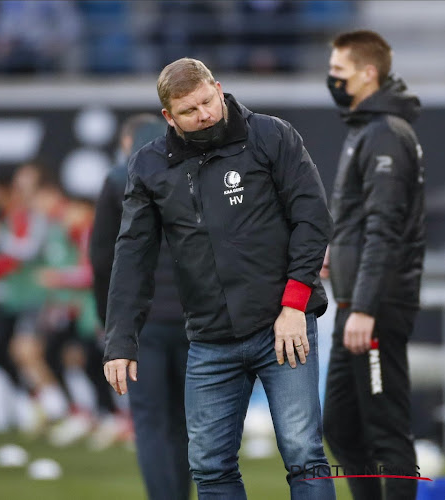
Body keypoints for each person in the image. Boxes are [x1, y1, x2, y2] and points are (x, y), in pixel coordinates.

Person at [102, 58, 336, 499]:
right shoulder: (149, 166)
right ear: (168, 118)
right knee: (209, 466)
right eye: (189, 111)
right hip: (209, 339)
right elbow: (132, 255)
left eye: (208, 101)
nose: (204, 114)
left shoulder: (271, 135)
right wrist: (119, 340)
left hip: (282, 326)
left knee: (304, 455)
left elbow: (313, 220)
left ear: (219, 88)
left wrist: (294, 304)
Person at [322, 30, 425, 500]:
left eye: (339, 72)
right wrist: (336, 253)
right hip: (353, 302)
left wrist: (364, 307)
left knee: (387, 433)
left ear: (369, 73)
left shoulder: (385, 133)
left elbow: (385, 228)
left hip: (374, 308)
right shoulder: (367, 128)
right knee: (341, 428)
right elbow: (363, 224)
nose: (332, 80)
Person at [91, 114, 190, 499]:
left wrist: (110, 323)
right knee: (185, 422)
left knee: (150, 421)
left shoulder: (118, 179)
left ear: (128, 140)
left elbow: (101, 259)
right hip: (191, 317)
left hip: (140, 322)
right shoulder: (189, 172)